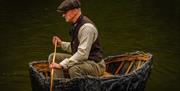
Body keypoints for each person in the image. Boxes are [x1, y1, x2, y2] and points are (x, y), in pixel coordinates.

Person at [49, 0, 106, 78]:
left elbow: (82, 54)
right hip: (83, 61)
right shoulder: (76, 25)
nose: (63, 15)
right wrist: (61, 44)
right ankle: (60, 84)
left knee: (74, 69)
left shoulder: (87, 28)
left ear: (75, 11)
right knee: (53, 57)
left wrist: (62, 65)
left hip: (95, 64)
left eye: (65, 12)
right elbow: (76, 48)